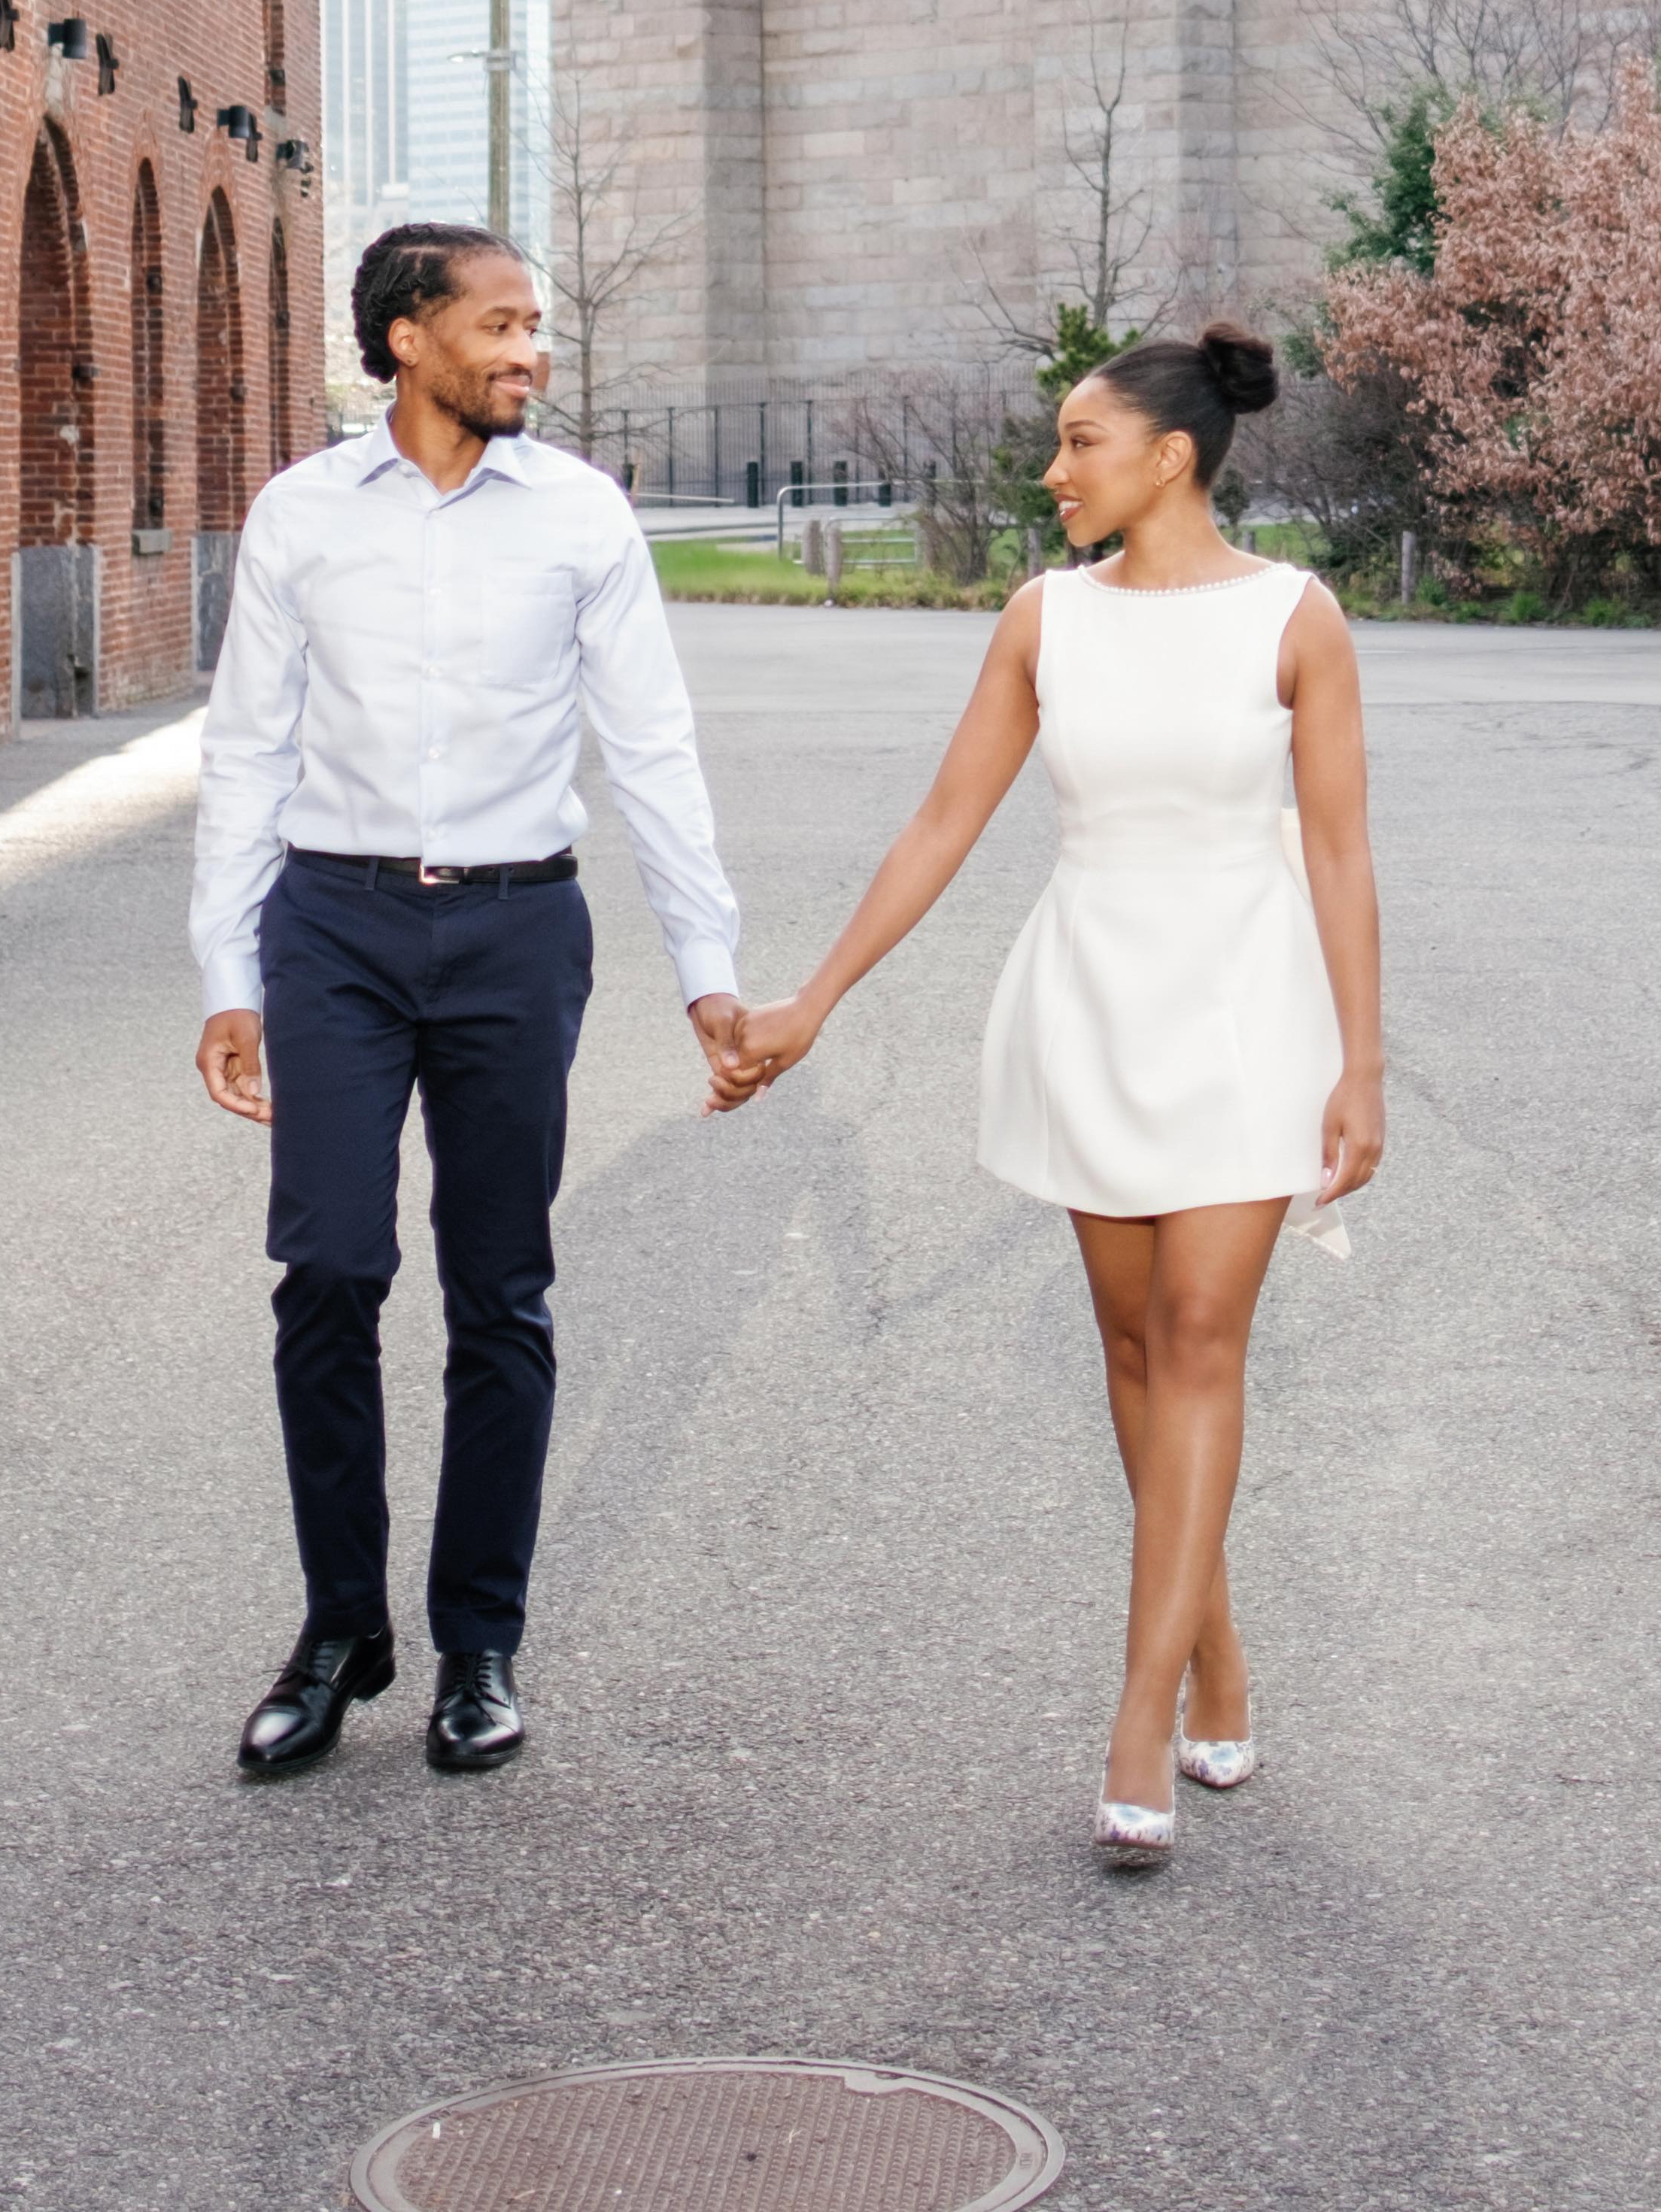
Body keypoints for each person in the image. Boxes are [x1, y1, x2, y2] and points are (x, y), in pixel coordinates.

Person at [712, 324, 1383, 1867]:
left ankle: (1138, 1721)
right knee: (1135, 1348)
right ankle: (1214, 1656)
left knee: (1202, 1338)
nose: (1052, 469)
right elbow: (942, 822)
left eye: (1080, 442)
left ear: (1169, 456)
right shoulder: (1042, 618)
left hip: (1246, 1006)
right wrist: (814, 998)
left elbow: (1342, 849)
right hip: (1090, 999)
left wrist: (1362, 1060)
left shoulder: (1297, 617)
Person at [191, 220, 749, 1786]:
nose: (530, 350)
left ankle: (478, 1644)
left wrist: (707, 966)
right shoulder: (302, 514)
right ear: (406, 338)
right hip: (334, 926)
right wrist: (228, 973)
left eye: (535, 323)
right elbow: (247, 748)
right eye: (499, 324)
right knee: (327, 1271)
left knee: (501, 1291)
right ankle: (338, 1631)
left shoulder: (580, 516)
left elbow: (651, 745)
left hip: (515, 931)